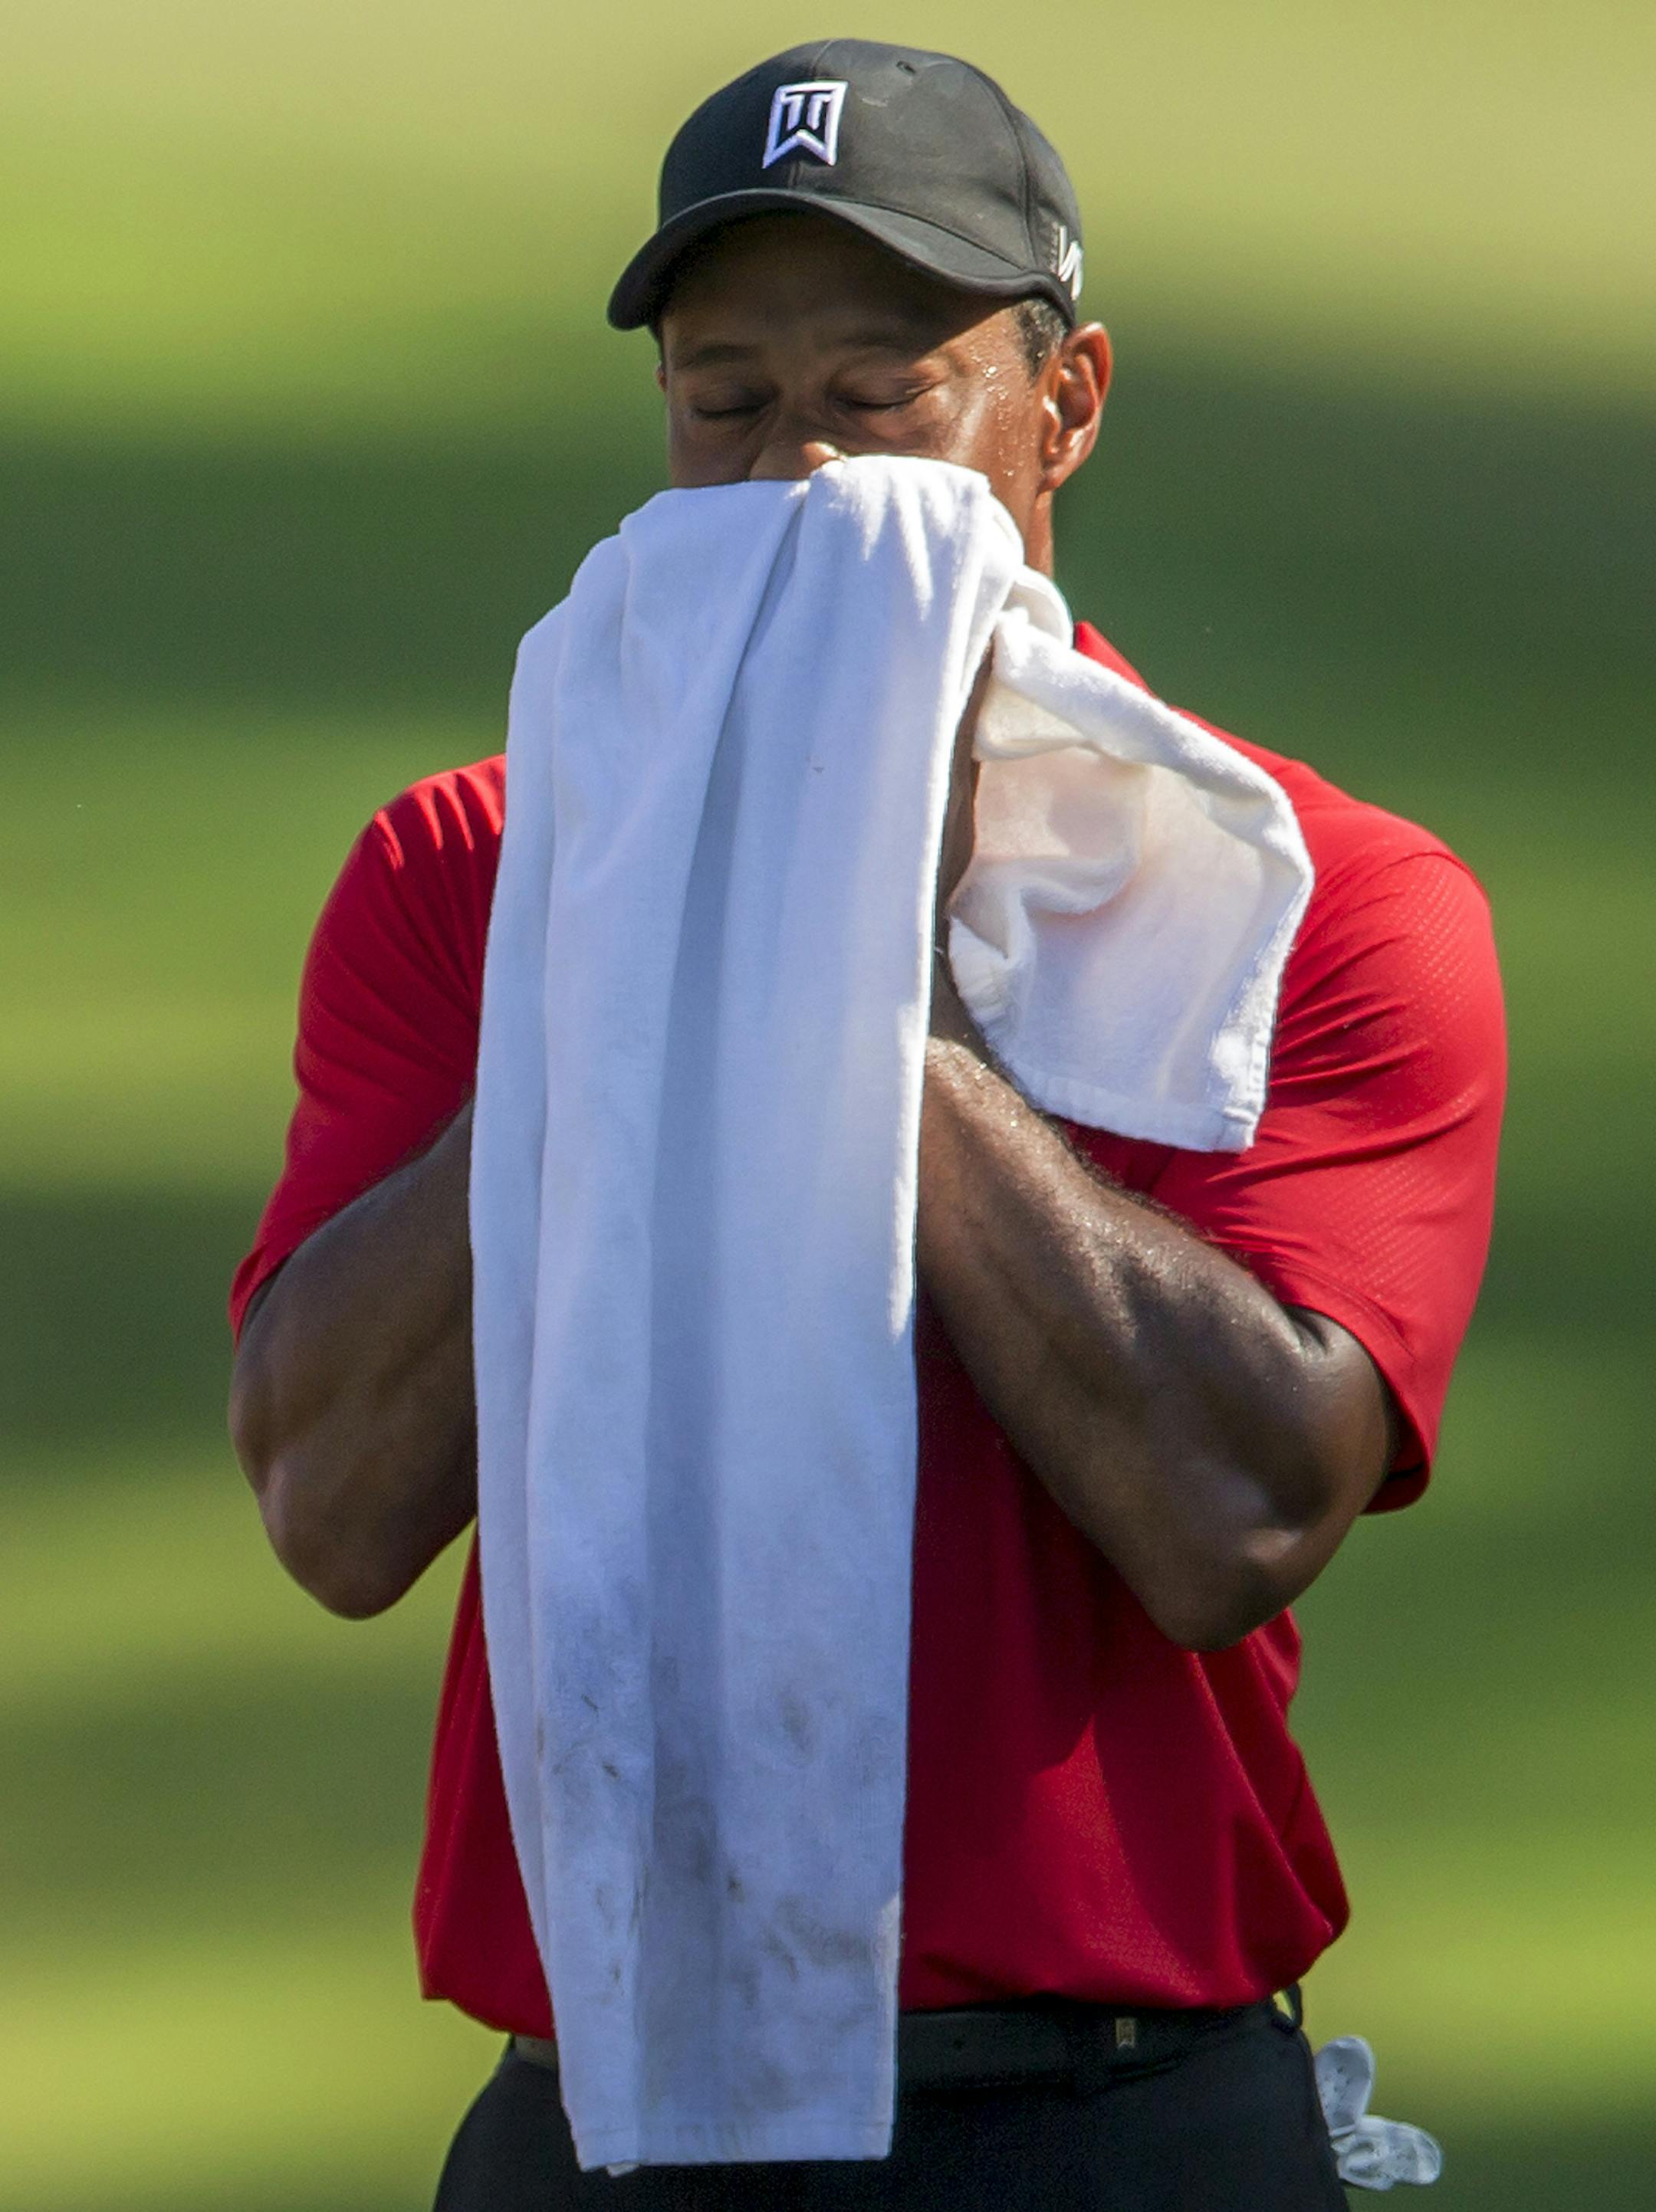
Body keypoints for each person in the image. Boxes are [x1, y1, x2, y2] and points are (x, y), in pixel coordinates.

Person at [228, 39, 1504, 2212]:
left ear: (1065, 404)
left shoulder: (1317, 894)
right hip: (598, 2117)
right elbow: (335, 1510)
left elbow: (1232, 1523)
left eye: (876, 397)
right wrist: (616, 963)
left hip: (1107, 2120)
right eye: (726, 406)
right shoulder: (472, 879)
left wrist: (863, 990)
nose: (795, 479)